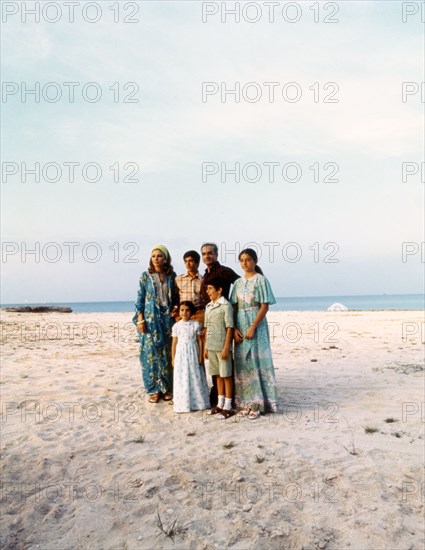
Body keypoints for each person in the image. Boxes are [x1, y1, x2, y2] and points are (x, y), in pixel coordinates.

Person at [230, 248, 278, 419]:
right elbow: (233, 307)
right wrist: (235, 328)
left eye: (248, 259)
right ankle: (245, 402)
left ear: (255, 261)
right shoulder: (237, 283)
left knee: (256, 361)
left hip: (256, 325)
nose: (245, 263)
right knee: (243, 364)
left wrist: (252, 326)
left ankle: (258, 403)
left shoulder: (261, 280)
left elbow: (264, 306)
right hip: (240, 324)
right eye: (242, 260)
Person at [133, 245, 179, 403]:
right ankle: (153, 390)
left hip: (167, 320)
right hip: (150, 320)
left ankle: (166, 388)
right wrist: (140, 319)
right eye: (153, 256)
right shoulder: (145, 276)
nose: (156, 259)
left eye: (159, 256)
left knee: (167, 353)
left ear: (165, 258)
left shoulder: (172, 276)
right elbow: (140, 299)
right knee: (150, 354)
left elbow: (176, 298)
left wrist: (175, 309)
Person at [200, 243, 239, 406]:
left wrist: (235, 309)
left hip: (225, 316)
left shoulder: (224, 271)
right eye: (204, 254)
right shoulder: (205, 274)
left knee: (226, 366)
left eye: (210, 253)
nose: (207, 256)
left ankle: (230, 400)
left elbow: (240, 285)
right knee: (216, 367)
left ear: (216, 255)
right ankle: (218, 398)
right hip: (210, 315)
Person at [171, 301, 210, 413]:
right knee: (182, 376)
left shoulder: (196, 324)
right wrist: (173, 358)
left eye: (187, 310)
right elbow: (174, 343)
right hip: (181, 354)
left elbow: (200, 341)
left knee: (195, 374)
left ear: (191, 312)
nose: (184, 312)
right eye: (182, 310)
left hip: (193, 352)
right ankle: (183, 402)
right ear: (179, 312)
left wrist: (201, 355)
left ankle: (198, 402)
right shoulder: (176, 326)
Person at [204, 279, 234, 419]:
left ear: (219, 290)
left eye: (210, 288)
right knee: (217, 376)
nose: (208, 291)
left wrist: (226, 347)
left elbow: (229, 327)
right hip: (211, 347)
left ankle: (228, 405)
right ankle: (220, 403)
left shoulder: (226, 306)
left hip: (222, 347)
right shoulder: (208, 306)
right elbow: (206, 328)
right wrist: (205, 347)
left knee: (226, 376)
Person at [174, 251, 205, 324]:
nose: (188, 264)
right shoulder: (178, 279)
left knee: (199, 334)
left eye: (190, 261)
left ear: (197, 263)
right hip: (183, 314)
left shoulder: (203, 280)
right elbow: (175, 297)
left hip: (198, 313)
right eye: (186, 261)